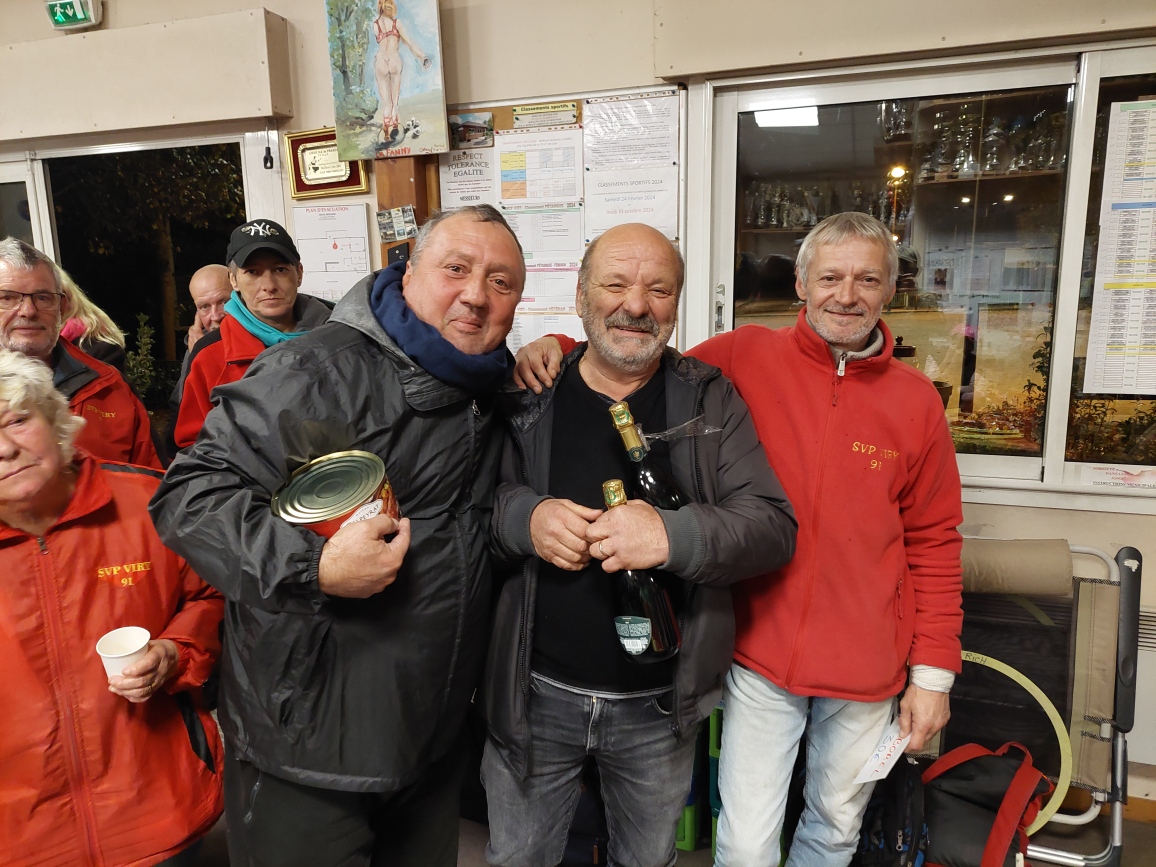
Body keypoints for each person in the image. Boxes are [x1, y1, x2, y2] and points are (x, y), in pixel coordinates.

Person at [514, 212, 964, 866]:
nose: (847, 294)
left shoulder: (917, 401)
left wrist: (932, 676)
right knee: (747, 839)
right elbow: (632, 357)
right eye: (831, 276)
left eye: (868, 278)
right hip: (760, 649)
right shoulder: (743, 356)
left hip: (869, 661)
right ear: (802, 285)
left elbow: (934, 541)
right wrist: (553, 343)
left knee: (835, 825)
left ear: (890, 290)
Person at [150, 204, 526, 867]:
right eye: (457, 269)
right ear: (408, 272)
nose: (476, 294)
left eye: (502, 281)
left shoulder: (485, 383)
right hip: (309, 747)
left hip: (429, 739)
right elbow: (187, 496)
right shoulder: (314, 370)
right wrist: (316, 564)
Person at [483, 223, 796, 867]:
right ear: (579, 295)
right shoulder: (527, 393)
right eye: (615, 284)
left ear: (677, 304)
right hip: (533, 696)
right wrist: (525, 519)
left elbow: (771, 526)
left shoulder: (710, 399)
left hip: (659, 704)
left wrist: (672, 534)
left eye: (658, 289)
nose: (635, 305)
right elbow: (471, 509)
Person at [0, 347, 224, 867]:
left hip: (156, 812)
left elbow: (211, 596)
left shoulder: (150, 504)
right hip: (21, 839)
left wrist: (176, 651)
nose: (6, 449)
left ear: (55, 420)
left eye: (17, 420)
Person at [0, 237, 161, 468]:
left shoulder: (109, 387)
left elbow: (155, 484)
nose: (28, 310)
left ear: (62, 308)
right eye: (8, 297)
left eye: (43, 297)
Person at [171, 219, 331, 450]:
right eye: (253, 272)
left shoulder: (339, 335)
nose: (269, 285)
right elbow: (193, 446)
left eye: (280, 269)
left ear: (299, 273)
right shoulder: (209, 355)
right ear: (234, 280)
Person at [373, 0, 430, 143]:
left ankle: (386, 132)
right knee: (394, 102)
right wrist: (422, 56)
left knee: (387, 103)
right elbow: (409, 42)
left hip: (381, 60)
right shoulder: (396, 24)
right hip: (394, 59)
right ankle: (394, 127)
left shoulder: (375, 25)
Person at [59, 267, 128, 372]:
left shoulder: (100, 349)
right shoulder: (36, 349)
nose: (28, 311)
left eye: (43, 298)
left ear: (65, 301)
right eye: (23, 299)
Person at [186, 263, 232, 353]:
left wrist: (206, 354)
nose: (215, 316)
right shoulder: (194, 346)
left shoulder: (262, 344)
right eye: (205, 307)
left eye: (224, 302)